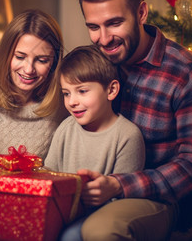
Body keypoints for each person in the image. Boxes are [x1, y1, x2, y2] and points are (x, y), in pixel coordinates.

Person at [74, 0, 192, 240]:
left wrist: (118, 185)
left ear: (141, 12)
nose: (103, 39)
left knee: (101, 231)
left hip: (159, 198)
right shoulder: (91, 64)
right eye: (93, 27)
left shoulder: (188, 73)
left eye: (114, 23)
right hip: (93, 186)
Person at [44, 45, 145, 240]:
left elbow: (124, 200)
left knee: (71, 236)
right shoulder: (66, 127)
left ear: (111, 90)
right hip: (63, 211)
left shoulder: (128, 136)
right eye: (66, 93)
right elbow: (49, 173)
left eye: (82, 91)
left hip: (100, 215)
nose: (72, 101)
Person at [0, 9, 67, 167]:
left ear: (54, 63)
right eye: (20, 57)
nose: (29, 70)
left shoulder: (64, 104)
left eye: (42, 60)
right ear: (5, 55)